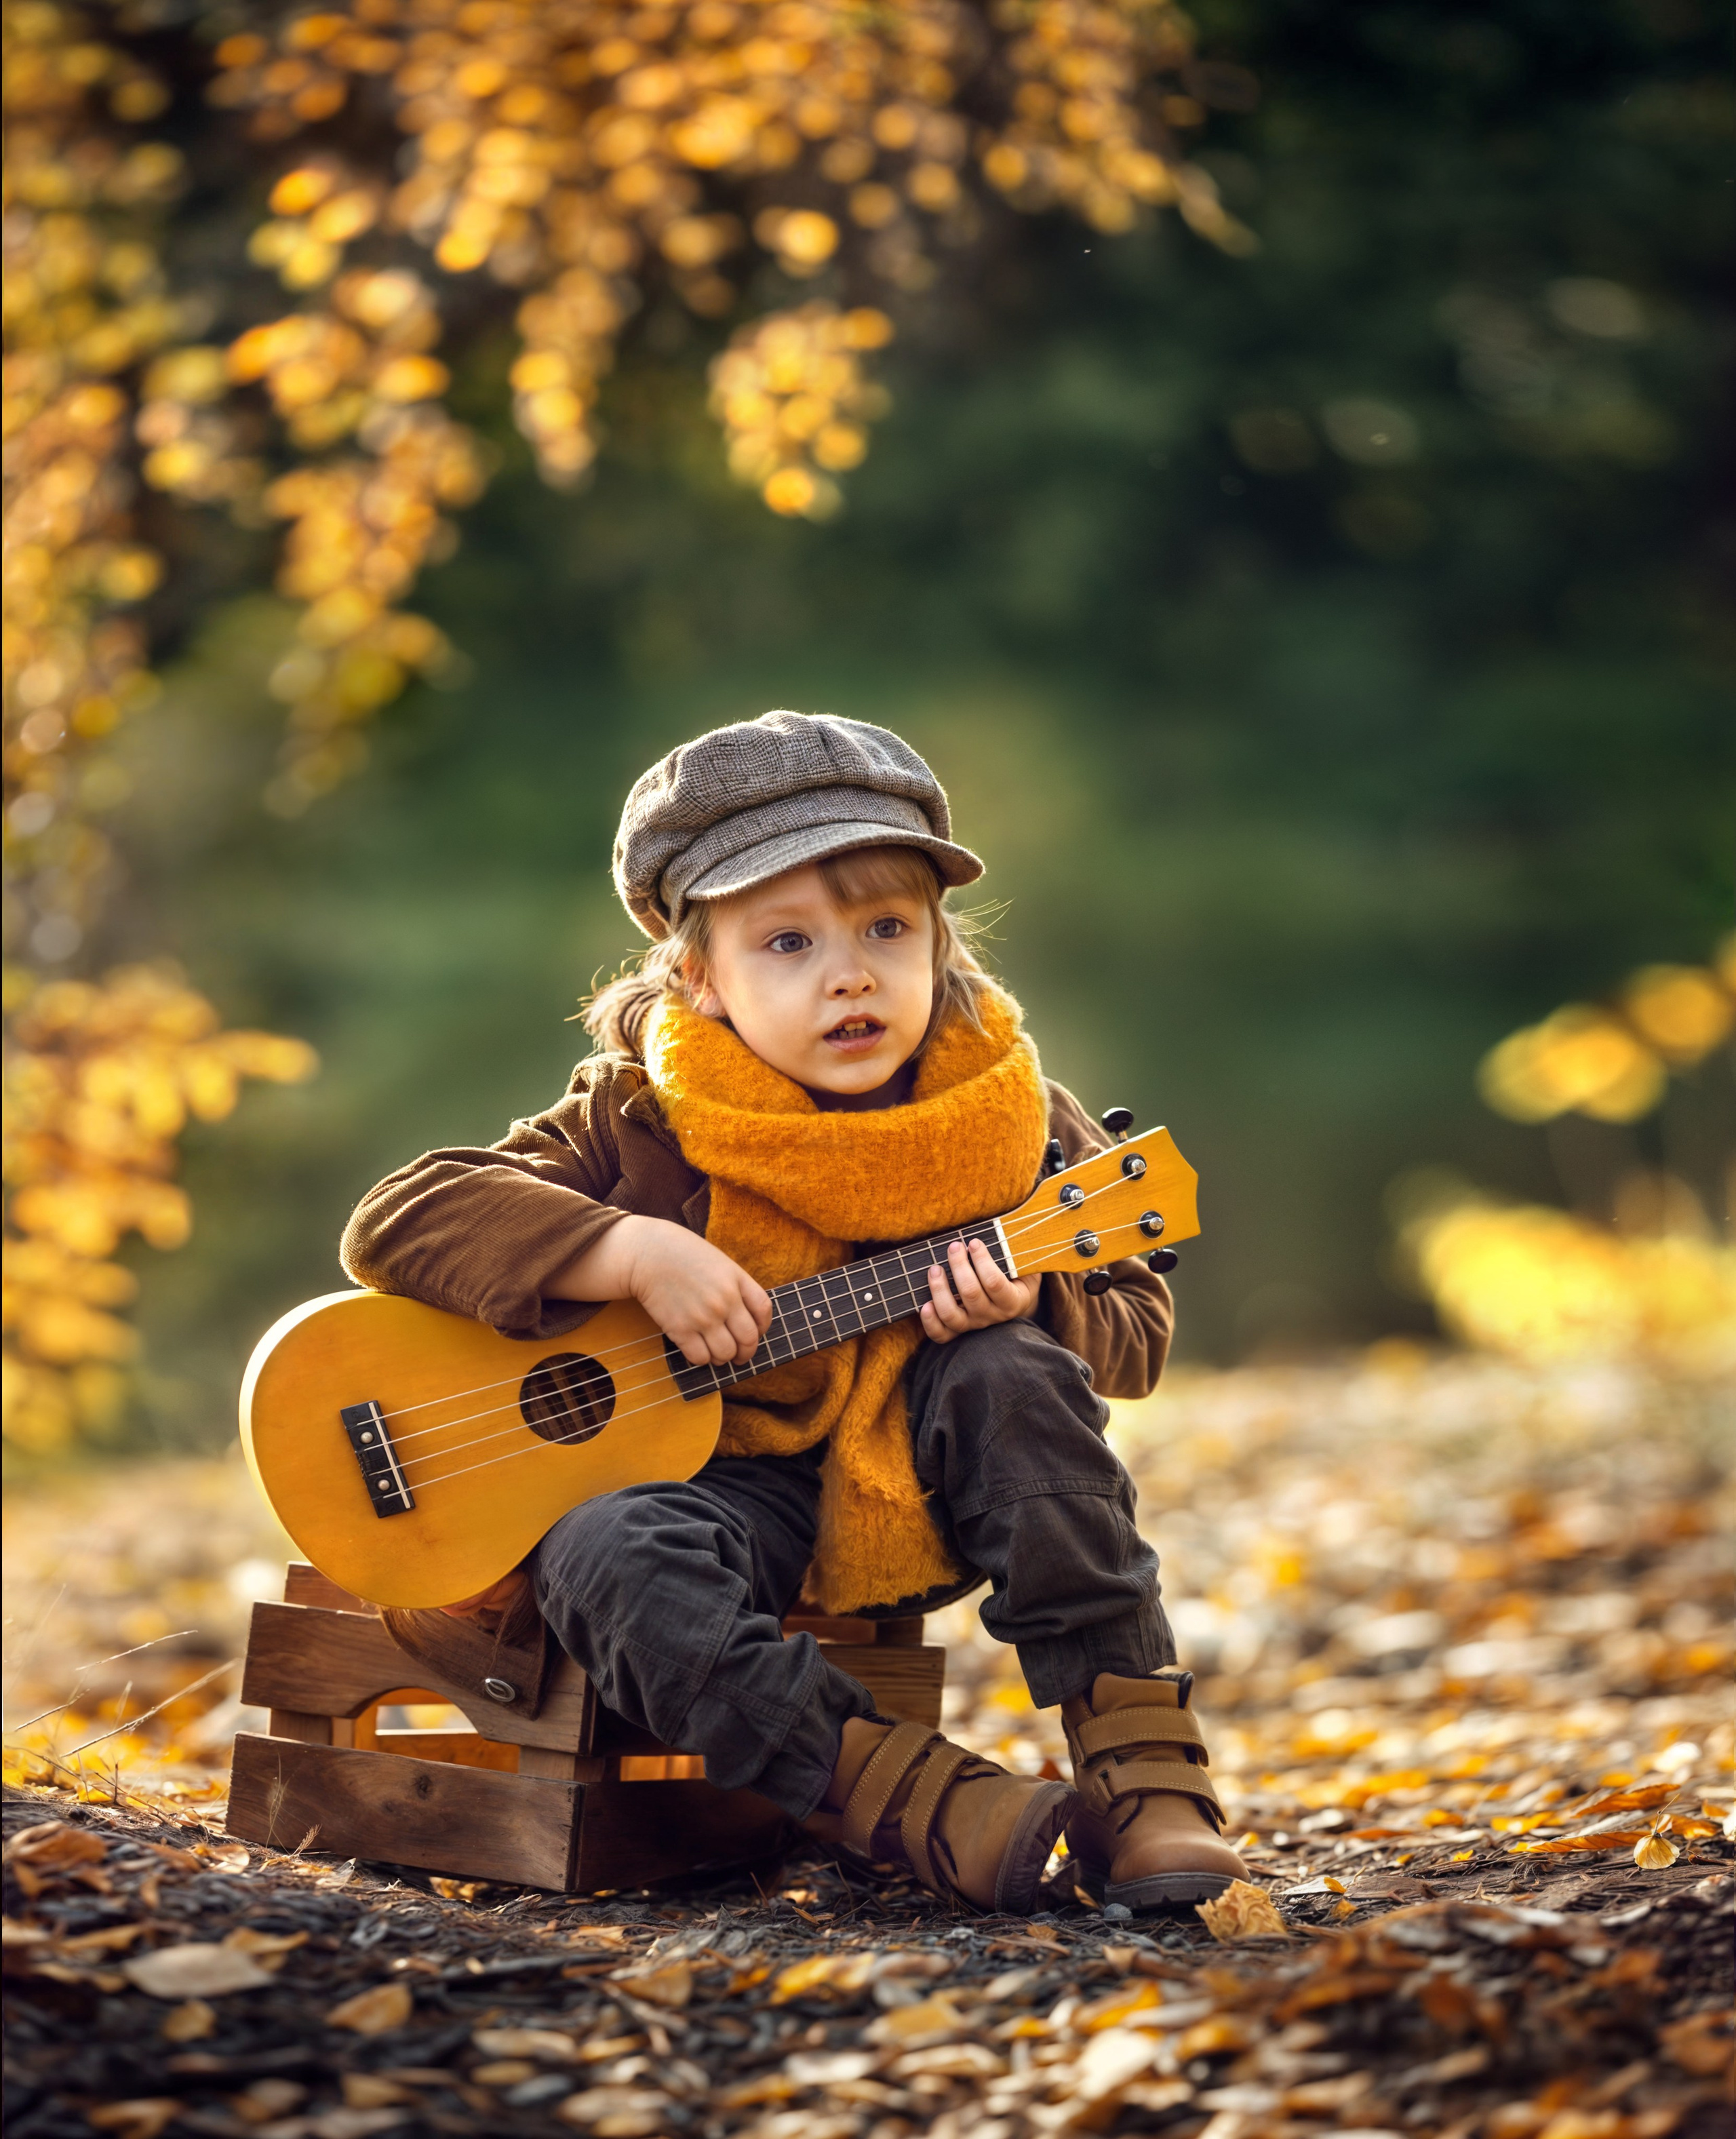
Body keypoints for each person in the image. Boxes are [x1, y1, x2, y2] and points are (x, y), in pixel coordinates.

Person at [342, 711, 1245, 1914]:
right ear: (699, 978)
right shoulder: (640, 1118)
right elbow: (398, 1219)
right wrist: (623, 1248)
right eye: (787, 942)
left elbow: (1135, 1331)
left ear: (940, 942)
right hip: (732, 1494)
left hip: (930, 1481)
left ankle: (1139, 1767)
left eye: (886, 928)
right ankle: (900, 1794)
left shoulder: (1009, 1115)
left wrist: (1045, 1295)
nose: (850, 973)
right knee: (603, 1551)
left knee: (1006, 1371)